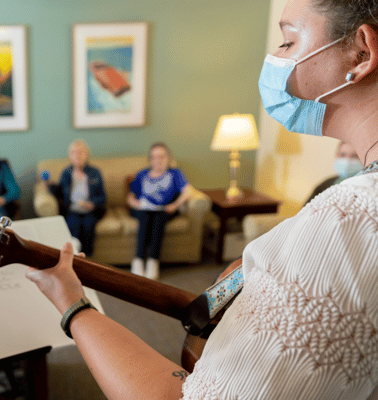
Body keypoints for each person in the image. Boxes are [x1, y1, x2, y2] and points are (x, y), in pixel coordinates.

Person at [26, 0, 378, 398]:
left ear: (361, 52)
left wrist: (72, 304)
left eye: (287, 41)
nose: (275, 59)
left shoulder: (350, 220)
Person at [127, 142, 192, 280]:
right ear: (150, 159)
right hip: (143, 209)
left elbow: (188, 191)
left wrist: (175, 205)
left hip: (164, 210)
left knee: (158, 218)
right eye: (155, 157)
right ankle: (138, 260)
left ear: (168, 158)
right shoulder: (142, 174)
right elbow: (130, 197)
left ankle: (153, 261)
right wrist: (137, 204)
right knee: (145, 217)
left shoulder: (175, 173)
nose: (158, 160)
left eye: (162, 157)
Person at [54, 139, 106, 257]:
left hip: (90, 210)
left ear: (87, 155)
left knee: (88, 224)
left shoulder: (95, 172)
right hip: (72, 209)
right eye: (74, 152)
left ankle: (87, 257)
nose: (77, 155)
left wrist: (93, 203)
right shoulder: (66, 173)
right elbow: (60, 193)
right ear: (69, 156)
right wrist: (48, 186)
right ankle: (74, 256)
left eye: (81, 152)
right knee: (74, 224)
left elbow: (102, 196)